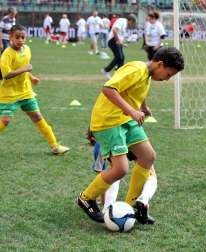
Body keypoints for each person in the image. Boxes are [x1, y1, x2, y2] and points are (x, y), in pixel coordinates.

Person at [76, 47, 184, 223]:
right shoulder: (136, 69)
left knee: (148, 157)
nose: (167, 79)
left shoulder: (147, 75)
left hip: (126, 120)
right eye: (168, 74)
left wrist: (143, 107)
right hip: (109, 121)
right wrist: (133, 111)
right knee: (120, 169)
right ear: (160, 64)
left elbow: (136, 91)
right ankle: (86, 198)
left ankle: (130, 207)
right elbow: (109, 89)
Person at [0, 25, 70, 154]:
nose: (20, 40)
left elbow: (23, 68)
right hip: (9, 94)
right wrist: (26, 69)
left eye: (23, 37)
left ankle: (55, 146)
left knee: (38, 117)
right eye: (17, 37)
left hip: (26, 92)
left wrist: (31, 77)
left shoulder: (27, 49)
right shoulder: (7, 54)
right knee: (5, 120)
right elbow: (6, 75)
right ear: (10, 38)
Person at [91, 140, 157, 224]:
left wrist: (104, 202)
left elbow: (103, 177)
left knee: (114, 172)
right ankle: (143, 199)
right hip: (130, 136)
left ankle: (108, 208)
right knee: (149, 171)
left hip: (110, 139)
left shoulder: (99, 143)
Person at [101, 14, 136, 80]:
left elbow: (121, 38)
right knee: (119, 57)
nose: (132, 25)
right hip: (112, 40)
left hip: (115, 41)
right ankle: (106, 70)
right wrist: (117, 40)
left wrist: (124, 43)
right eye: (132, 23)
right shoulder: (122, 21)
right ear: (130, 20)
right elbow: (114, 30)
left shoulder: (125, 26)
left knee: (121, 57)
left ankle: (118, 74)